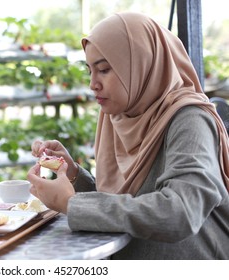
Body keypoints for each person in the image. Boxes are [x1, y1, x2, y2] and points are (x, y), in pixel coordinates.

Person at [27, 12, 229, 259]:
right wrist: (73, 174)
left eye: (103, 70)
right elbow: (124, 200)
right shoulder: (119, 116)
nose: (93, 83)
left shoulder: (189, 119)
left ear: (141, 65)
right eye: (90, 70)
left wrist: (71, 204)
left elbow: (181, 212)